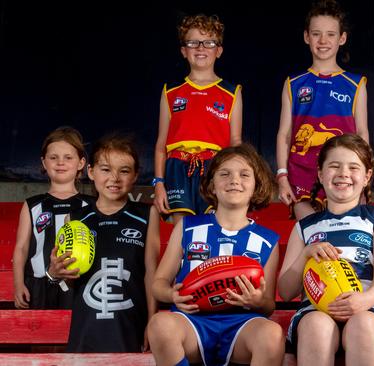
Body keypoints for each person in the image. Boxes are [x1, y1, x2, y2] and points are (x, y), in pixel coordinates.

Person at [148, 143, 284, 366]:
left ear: (256, 186)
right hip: (192, 322)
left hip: (242, 324)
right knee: (159, 325)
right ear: (211, 185)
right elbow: (158, 284)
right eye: (224, 174)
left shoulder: (267, 240)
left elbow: (268, 305)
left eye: (244, 174)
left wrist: (258, 300)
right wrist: (172, 295)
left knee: (272, 335)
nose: (234, 180)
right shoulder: (187, 227)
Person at [278, 134, 374, 366]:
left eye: (353, 167)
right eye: (334, 166)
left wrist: (366, 299)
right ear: (321, 175)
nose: (343, 173)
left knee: (363, 325)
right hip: (315, 310)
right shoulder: (304, 227)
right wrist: (306, 254)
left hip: (368, 307)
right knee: (316, 326)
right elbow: (285, 291)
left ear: (367, 177)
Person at [48, 132, 160, 352]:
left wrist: (152, 322)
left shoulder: (147, 214)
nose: (115, 178)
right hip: (87, 324)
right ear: (91, 172)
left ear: (136, 175)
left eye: (124, 171)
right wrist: (55, 273)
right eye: (106, 169)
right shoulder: (76, 218)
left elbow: (151, 273)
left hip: (130, 323)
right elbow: (68, 279)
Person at [276, 0, 369, 220]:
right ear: (307, 37)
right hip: (301, 172)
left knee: (342, 234)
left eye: (330, 34)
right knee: (311, 233)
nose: (323, 41)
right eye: (316, 34)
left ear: (342, 38)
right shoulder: (294, 83)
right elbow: (284, 134)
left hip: (343, 171)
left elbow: (362, 133)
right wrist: (282, 176)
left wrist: (364, 177)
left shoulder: (356, 84)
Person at [154, 13, 243, 223]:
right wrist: (158, 183)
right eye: (193, 43)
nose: (201, 48)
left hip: (215, 167)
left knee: (212, 227)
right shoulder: (171, 91)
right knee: (181, 229)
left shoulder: (232, 92)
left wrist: (236, 177)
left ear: (218, 51)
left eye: (209, 42)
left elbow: (236, 143)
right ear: (184, 51)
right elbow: (161, 145)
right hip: (178, 166)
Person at [12, 126, 93, 309]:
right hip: (38, 285)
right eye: (53, 157)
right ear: (44, 163)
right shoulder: (32, 205)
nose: (60, 163)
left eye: (68, 157)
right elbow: (21, 247)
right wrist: (18, 284)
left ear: (81, 163)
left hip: (81, 284)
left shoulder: (92, 205)